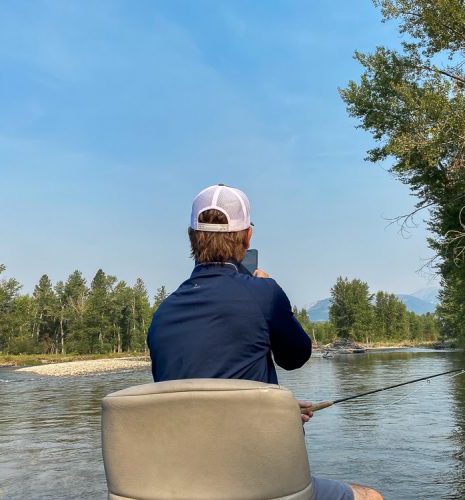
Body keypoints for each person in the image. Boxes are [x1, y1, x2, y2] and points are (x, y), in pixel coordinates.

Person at [147, 184, 382, 500]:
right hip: (255, 481)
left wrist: (273, 411)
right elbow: (296, 356)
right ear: (247, 238)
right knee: (371, 497)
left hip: (182, 482)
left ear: (191, 236)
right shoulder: (263, 294)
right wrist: (270, 289)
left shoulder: (162, 313)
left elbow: (188, 402)